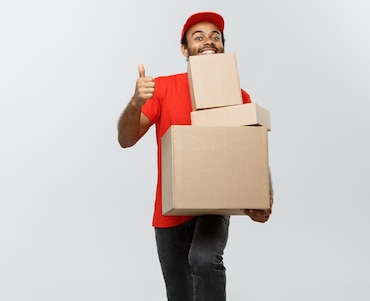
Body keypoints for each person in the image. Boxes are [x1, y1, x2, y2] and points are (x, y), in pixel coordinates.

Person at [116, 11, 273, 301]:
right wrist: (137, 102)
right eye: (198, 37)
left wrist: (264, 196)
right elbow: (125, 140)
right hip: (168, 212)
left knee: (203, 258)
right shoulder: (162, 88)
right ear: (185, 49)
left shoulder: (239, 96)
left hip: (213, 207)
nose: (208, 41)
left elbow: (251, 149)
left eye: (215, 36)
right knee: (180, 295)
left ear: (223, 46)